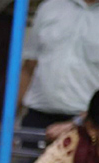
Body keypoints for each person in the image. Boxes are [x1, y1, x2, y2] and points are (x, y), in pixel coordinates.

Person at [17, 0, 99, 134]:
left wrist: (78, 122)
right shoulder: (50, 7)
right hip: (37, 117)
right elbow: (29, 67)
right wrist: (8, 120)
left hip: (88, 124)